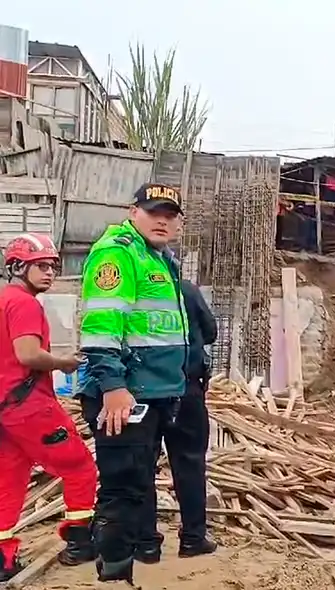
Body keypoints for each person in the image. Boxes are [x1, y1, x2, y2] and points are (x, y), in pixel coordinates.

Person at [78, 183, 189, 583]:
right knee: (122, 492)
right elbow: (101, 326)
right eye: (154, 211)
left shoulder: (160, 260)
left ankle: (117, 570)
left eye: (170, 214)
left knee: (137, 487)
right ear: (133, 211)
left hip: (154, 393)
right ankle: (113, 576)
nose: (163, 219)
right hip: (126, 395)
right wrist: (112, 385)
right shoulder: (118, 253)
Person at [0, 233, 98, 581]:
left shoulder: (3, 300)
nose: (50, 273)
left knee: (9, 481)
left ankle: (3, 559)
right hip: (30, 408)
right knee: (80, 467)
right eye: (41, 266)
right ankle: (79, 540)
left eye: (53, 266)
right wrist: (64, 363)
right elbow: (28, 355)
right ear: (16, 267)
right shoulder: (24, 303)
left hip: (6, 410)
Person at [134, 278, 217, 563]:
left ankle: (146, 544)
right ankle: (193, 538)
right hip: (185, 388)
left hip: (143, 391)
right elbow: (211, 332)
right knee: (190, 463)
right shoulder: (185, 289)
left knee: (142, 465)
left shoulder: (127, 291)